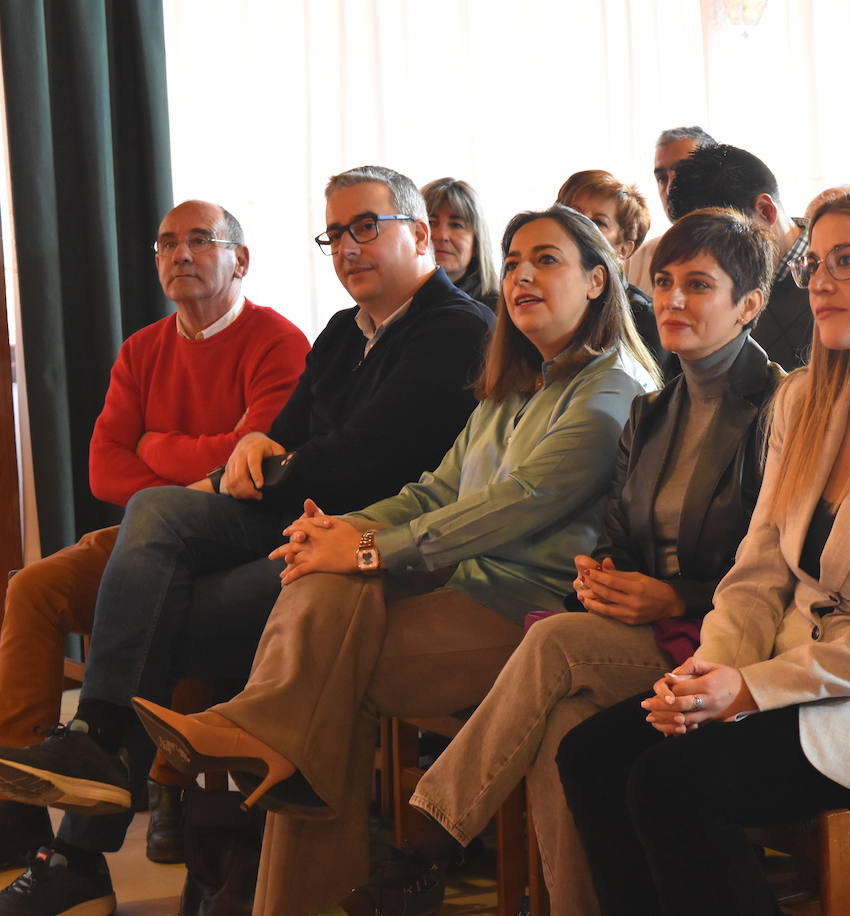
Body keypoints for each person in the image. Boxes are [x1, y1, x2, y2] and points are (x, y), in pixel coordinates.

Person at [132, 205, 660, 915]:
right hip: (464, 590)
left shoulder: (610, 388)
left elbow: (512, 504)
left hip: (531, 611)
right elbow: (435, 490)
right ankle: (262, 730)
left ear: (598, 281)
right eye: (514, 261)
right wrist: (339, 531)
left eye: (547, 260)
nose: (522, 275)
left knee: (318, 691)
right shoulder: (522, 379)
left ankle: (265, 755)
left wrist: (369, 546)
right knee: (323, 591)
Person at [0, 165, 493, 915]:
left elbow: (365, 460)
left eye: (368, 227)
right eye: (336, 233)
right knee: (157, 514)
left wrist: (254, 459)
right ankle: (100, 738)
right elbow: (268, 438)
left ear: (418, 234)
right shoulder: (341, 330)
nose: (349, 247)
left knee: (164, 607)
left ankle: (86, 840)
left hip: (360, 542)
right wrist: (250, 449)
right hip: (286, 516)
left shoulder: (454, 328)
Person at [557, 187, 850, 916]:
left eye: (847, 261)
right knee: (591, 755)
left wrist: (747, 691)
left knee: (670, 782)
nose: (818, 281)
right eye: (812, 263)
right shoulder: (805, 399)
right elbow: (757, 575)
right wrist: (712, 669)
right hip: (797, 680)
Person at [370, 206, 784, 916]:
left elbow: (777, 563)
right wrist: (609, 574)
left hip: (736, 643)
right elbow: (621, 531)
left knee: (553, 641)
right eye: (666, 282)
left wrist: (673, 596)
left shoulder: (778, 406)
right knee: (565, 729)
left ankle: (429, 841)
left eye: (700, 286)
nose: (675, 301)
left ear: (749, 305)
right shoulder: (653, 410)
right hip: (648, 632)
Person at [0, 200, 309, 868]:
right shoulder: (141, 349)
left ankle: (167, 787)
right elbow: (105, 469)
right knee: (33, 588)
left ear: (241, 259)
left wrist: (157, 447)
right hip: (155, 530)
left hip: (242, 537)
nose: (181, 255)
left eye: (201, 241)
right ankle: (28, 797)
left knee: (174, 604)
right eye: (167, 244)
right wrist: (199, 466)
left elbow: (253, 470)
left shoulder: (279, 342)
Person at [668, 143, 811, 370]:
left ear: (766, 210)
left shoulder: (834, 280)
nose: (709, 258)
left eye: (719, 239)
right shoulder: (715, 291)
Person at [555, 169, 664, 364]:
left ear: (623, 250)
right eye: (573, 213)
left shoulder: (642, 318)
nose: (581, 225)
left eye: (598, 222)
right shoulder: (542, 296)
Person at [625, 125, 717, 290]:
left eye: (683, 173)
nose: (670, 188)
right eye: (662, 178)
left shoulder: (748, 253)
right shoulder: (637, 261)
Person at [421, 177, 499, 309]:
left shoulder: (496, 312)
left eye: (456, 225)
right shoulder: (392, 302)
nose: (442, 236)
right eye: (431, 222)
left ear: (476, 244)